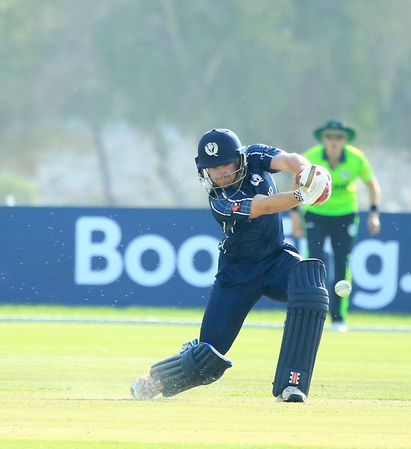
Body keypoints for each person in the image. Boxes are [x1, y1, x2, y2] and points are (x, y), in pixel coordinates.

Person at [130, 128, 332, 403]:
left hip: (276, 260)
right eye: (212, 168)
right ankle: (156, 380)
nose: (221, 173)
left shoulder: (254, 155)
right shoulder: (220, 201)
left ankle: (292, 385)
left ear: (239, 159)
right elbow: (265, 205)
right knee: (207, 360)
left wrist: (309, 174)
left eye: (225, 164)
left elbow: (289, 160)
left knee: (310, 286)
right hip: (237, 275)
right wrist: (303, 195)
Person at [290, 119, 380, 333]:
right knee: (316, 262)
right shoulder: (311, 157)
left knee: (342, 263)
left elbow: (371, 184)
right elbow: (296, 184)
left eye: (339, 137)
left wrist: (374, 212)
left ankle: (339, 318)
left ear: (345, 140)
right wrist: (294, 215)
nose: (334, 141)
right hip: (316, 214)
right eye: (330, 136)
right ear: (323, 138)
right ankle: (314, 314)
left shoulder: (356, 158)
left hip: (345, 216)